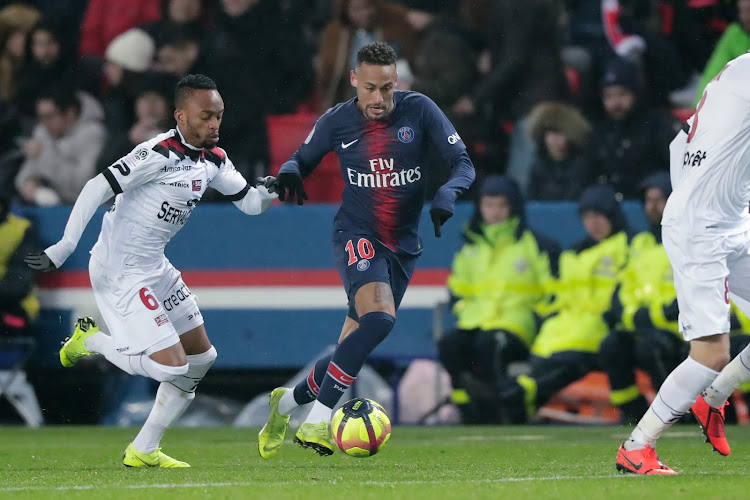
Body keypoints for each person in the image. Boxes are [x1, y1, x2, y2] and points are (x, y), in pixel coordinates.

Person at [24, 74, 277, 467]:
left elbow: (250, 203)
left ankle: (143, 449)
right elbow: (95, 187)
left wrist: (277, 187)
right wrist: (64, 246)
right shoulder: (156, 154)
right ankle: (91, 341)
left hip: (154, 267)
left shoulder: (214, 159)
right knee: (167, 366)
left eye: (219, 116)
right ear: (180, 115)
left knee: (202, 359)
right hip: (118, 270)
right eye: (206, 116)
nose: (214, 124)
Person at [257, 41, 475, 457]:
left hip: (404, 247)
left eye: (388, 89)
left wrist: (449, 190)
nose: (379, 99)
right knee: (379, 319)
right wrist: (287, 174)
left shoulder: (421, 110)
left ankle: (284, 404)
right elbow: (299, 160)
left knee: (351, 346)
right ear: (354, 80)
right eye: (371, 88)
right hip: (357, 234)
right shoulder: (337, 121)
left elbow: (463, 162)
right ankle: (318, 423)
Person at [615, 52, 750, 475]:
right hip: (702, 228)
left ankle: (712, 398)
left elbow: (681, 145)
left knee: (714, 361)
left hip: (730, 218)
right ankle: (637, 447)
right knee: (710, 353)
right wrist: (694, 207)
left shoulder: (736, 71)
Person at [497, 184, 630, 424]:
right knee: (544, 358)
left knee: (563, 362)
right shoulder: (573, 254)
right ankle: (521, 399)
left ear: (612, 215)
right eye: (588, 217)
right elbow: (560, 296)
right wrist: (547, 316)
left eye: (600, 216)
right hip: (563, 328)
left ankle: (521, 397)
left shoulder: (628, 246)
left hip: (597, 328)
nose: (594, 223)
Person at [439, 175, 558, 424]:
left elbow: (552, 292)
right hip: (474, 322)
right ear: (480, 207)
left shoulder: (535, 245)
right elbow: (457, 292)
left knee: (490, 344)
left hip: (517, 325)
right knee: (449, 345)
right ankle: (467, 408)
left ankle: (498, 407)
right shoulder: (470, 248)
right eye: (488, 204)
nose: (494, 212)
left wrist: (538, 319)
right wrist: (464, 311)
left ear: (513, 206)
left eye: (501, 205)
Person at [599, 172, 682, 424]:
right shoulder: (640, 243)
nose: (653, 206)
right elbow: (624, 289)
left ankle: (677, 413)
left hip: (678, 330)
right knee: (612, 344)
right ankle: (633, 413)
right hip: (642, 325)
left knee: (651, 348)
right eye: (648, 200)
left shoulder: (687, 241)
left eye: (660, 199)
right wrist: (634, 317)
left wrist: (652, 316)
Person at [15, 85, 106, 206]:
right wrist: (30, 182)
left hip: (87, 208)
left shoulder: (93, 134)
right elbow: (25, 174)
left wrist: (44, 155)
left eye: (49, 116)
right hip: (52, 207)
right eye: (40, 117)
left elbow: (84, 183)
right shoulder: (43, 131)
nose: (44, 123)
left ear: (70, 113)